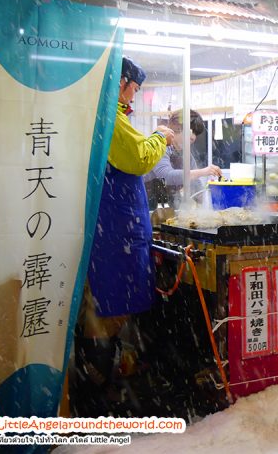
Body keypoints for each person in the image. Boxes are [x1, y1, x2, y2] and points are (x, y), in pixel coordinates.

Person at [72, 57, 175, 417]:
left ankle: (101, 387)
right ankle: (96, 397)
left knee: (105, 313)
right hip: (114, 234)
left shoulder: (103, 113)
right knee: (105, 314)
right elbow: (137, 158)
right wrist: (161, 137)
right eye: (134, 87)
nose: (135, 94)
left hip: (115, 230)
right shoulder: (109, 117)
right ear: (121, 83)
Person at [144, 109, 222, 209]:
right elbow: (166, 176)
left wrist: (201, 201)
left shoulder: (185, 153)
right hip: (149, 201)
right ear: (176, 128)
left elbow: (195, 182)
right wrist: (203, 171)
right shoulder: (160, 146)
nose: (193, 137)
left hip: (171, 203)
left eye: (196, 134)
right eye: (191, 131)